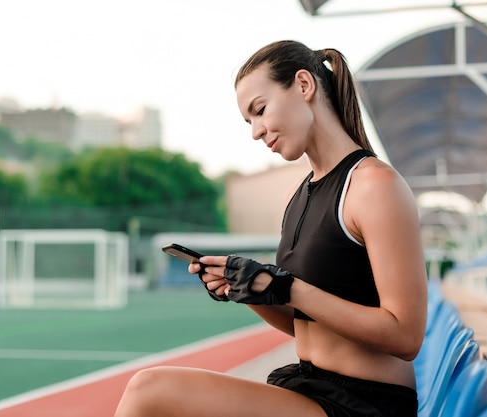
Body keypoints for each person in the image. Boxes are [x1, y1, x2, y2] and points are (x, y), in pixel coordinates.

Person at [114, 40, 428, 417]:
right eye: (249, 122)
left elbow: (405, 336)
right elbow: (307, 326)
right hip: (311, 389)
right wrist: (246, 289)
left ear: (303, 85)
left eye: (260, 111)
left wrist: (285, 287)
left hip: (365, 406)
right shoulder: (295, 198)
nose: (256, 132)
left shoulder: (374, 186)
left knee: (148, 390)